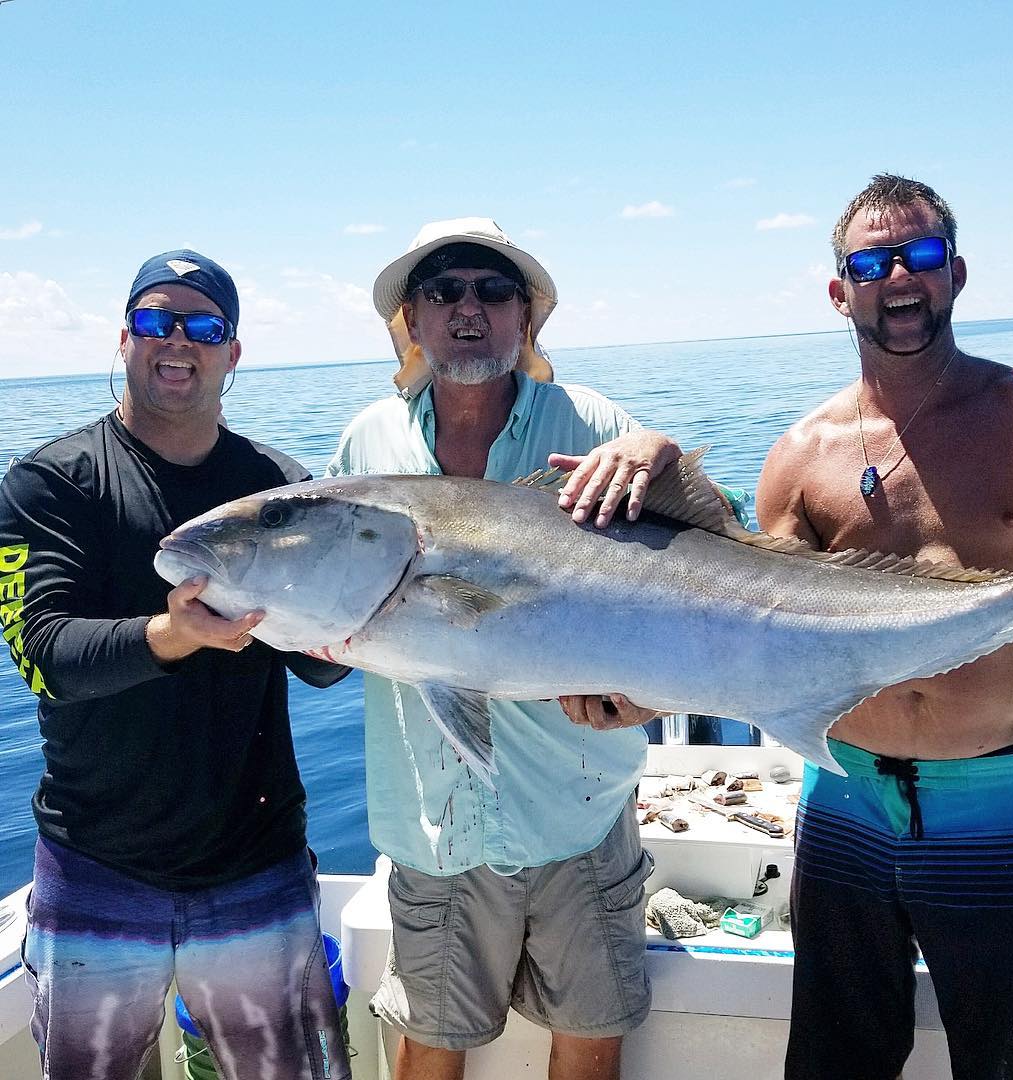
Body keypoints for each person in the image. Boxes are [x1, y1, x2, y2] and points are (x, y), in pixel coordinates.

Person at [327, 218, 689, 1080]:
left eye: (494, 291)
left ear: (526, 317)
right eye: (443, 291)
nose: (468, 309)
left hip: (581, 807)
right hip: (433, 828)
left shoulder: (594, 422)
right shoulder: (366, 444)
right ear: (411, 319)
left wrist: (661, 454)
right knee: (429, 1052)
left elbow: (711, 576)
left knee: (591, 1042)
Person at [755, 175, 1013, 1079]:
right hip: (841, 794)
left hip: (998, 800)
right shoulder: (797, 458)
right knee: (833, 1062)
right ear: (839, 291)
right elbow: (752, 627)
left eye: (922, 253)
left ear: (957, 272)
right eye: (871, 261)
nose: (899, 274)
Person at [0, 250, 352, 1080]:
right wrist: (173, 632)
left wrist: (356, 626)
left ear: (234, 352)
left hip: (256, 865)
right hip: (95, 870)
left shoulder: (283, 487)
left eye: (205, 326)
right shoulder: (50, 483)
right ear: (124, 337)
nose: (178, 341)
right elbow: (42, 656)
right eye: (157, 321)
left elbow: (323, 670)